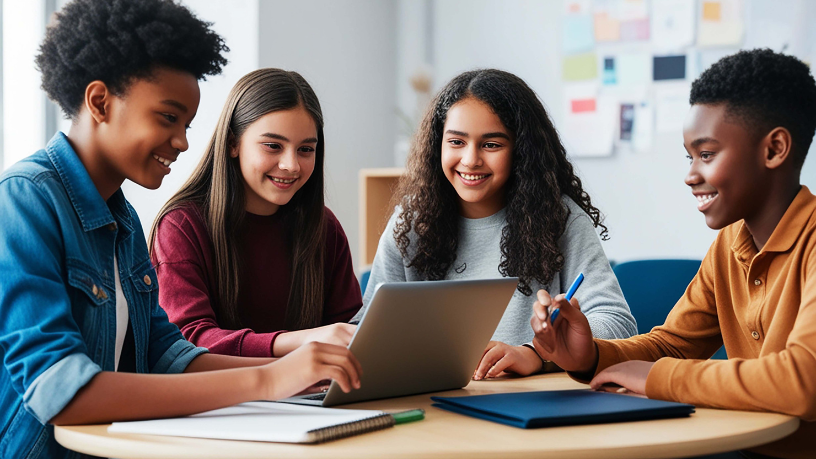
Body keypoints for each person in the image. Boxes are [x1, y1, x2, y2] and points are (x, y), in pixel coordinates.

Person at [0, 2, 359, 457]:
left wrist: (299, 371)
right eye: (168, 118)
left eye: (187, 124)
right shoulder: (24, 198)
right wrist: (270, 377)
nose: (184, 141)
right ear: (99, 102)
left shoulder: (123, 219)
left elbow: (167, 357)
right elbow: (60, 392)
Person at [530, 49, 816, 459]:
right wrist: (591, 354)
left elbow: (802, 381)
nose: (690, 175)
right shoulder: (729, 244)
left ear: (774, 150)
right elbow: (673, 345)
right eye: (689, 156)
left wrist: (660, 378)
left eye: (707, 154)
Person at [353, 69, 636, 380]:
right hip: (435, 407)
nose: (471, 159)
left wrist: (536, 354)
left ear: (521, 151)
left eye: (491, 145)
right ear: (438, 146)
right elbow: (367, 333)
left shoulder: (560, 220)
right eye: (457, 142)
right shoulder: (410, 224)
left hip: (528, 407)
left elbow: (617, 324)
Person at [149, 68, 361, 358]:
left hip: (310, 398)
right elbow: (188, 339)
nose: (292, 165)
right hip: (219, 400)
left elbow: (348, 330)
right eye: (273, 146)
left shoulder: (324, 227)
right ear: (234, 143)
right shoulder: (182, 226)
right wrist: (301, 342)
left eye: (305, 149)